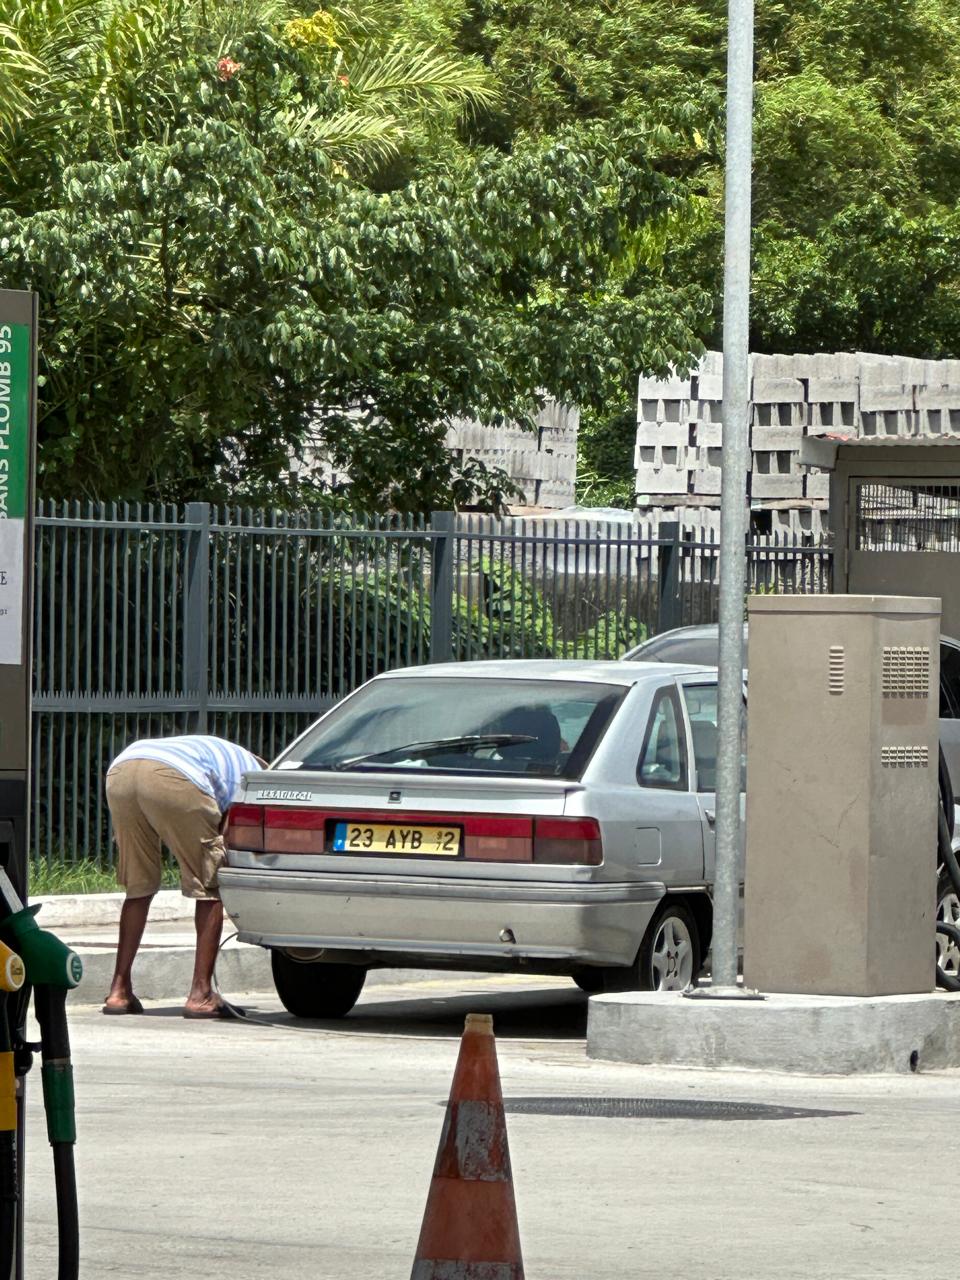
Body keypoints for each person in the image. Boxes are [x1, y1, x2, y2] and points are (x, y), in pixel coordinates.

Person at [102, 735, 265, 1018]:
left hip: (122, 771)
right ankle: (201, 994)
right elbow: (229, 829)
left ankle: (118, 991)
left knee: (138, 887)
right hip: (174, 776)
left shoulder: (227, 755)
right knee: (210, 884)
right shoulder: (256, 779)